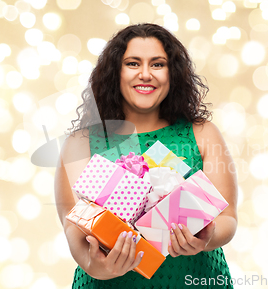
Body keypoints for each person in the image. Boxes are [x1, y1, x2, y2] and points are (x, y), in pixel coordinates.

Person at [55, 23, 238, 288]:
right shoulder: (80, 143)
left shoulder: (202, 133)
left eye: (157, 64)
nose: (145, 74)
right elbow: (74, 228)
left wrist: (205, 239)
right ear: (114, 73)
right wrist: (100, 266)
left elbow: (228, 217)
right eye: (132, 63)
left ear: (172, 73)